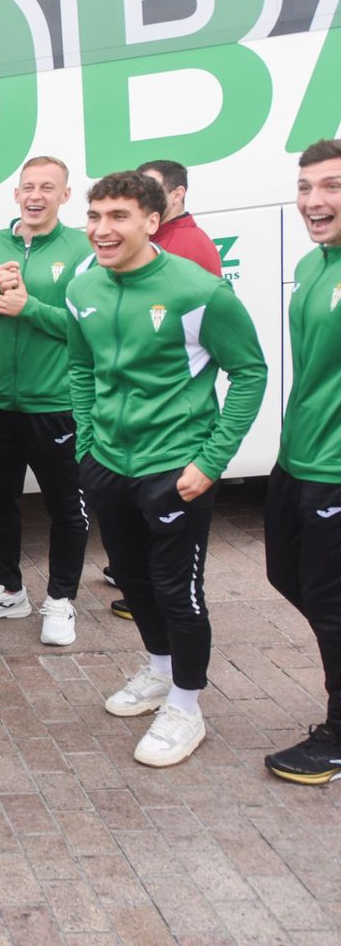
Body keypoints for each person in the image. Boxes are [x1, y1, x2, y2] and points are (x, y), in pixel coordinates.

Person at [68, 170, 266, 767]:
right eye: (95, 216)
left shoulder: (198, 290)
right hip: (108, 464)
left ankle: (186, 705)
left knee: (178, 591)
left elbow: (250, 373)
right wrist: (86, 446)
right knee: (132, 580)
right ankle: (159, 670)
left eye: (119, 216)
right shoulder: (83, 287)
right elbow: (81, 369)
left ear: (153, 221)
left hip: (175, 468)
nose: (102, 230)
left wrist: (211, 461)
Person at [0, 157, 90, 646]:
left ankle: (60, 599)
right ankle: (8, 590)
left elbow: (92, 324)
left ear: (65, 195)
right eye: (28, 187)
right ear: (16, 193)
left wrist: (29, 307)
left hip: (56, 404)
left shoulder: (82, 249)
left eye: (48, 187)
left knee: (66, 508)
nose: (36, 196)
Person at [262, 140, 341, 784]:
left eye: (332, 186)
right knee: (284, 572)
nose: (314, 200)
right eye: (306, 186)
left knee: (328, 599)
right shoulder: (316, 263)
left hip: (336, 467)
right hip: (298, 453)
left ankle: (338, 735)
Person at [137, 161, 223, 277]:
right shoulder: (157, 237)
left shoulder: (182, 246)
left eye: (152, 191)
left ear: (177, 195)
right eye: (138, 192)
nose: (142, 200)